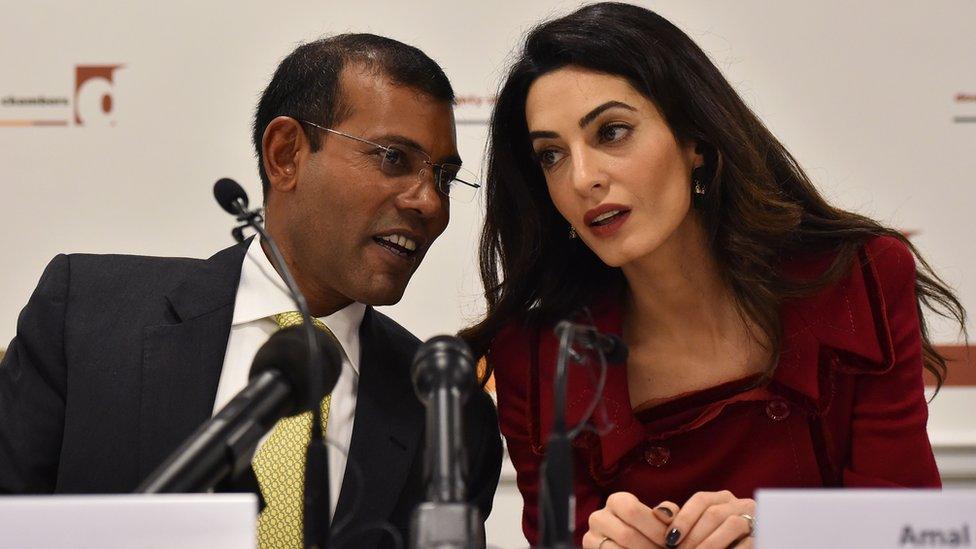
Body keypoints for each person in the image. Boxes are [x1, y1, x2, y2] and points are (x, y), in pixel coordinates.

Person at [460, 3, 966, 549]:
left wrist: (781, 533)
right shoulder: (536, 356)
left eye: (612, 132)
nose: (582, 179)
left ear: (694, 140)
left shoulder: (854, 279)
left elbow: (917, 532)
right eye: (551, 156)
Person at [0, 34, 502, 549]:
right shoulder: (87, 315)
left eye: (443, 178)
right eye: (394, 158)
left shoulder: (450, 415)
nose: (430, 204)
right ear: (285, 154)